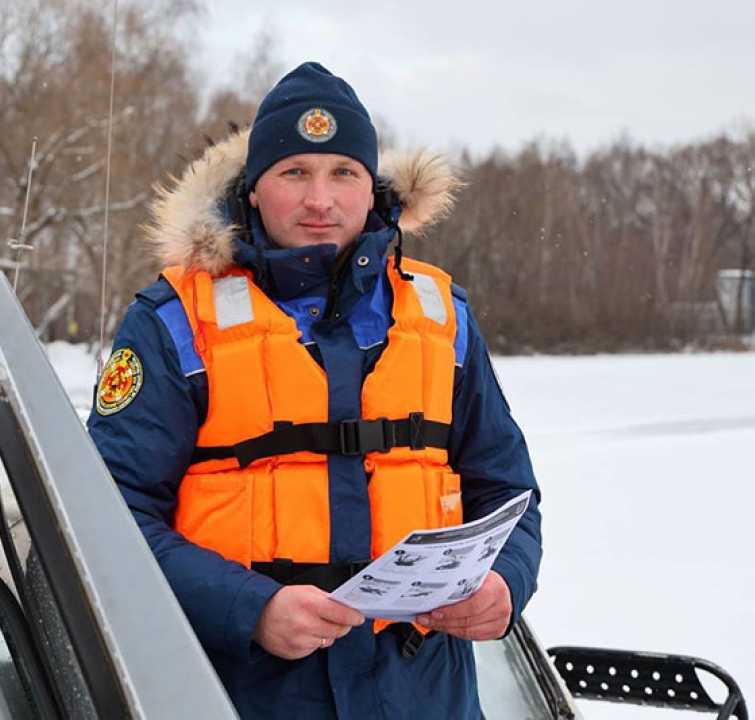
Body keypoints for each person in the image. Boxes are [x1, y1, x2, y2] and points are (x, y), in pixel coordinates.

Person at [88, 62, 542, 719]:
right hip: (241, 692)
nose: (320, 201)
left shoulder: (443, 316)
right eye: (294, 172)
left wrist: (507, 583)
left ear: (374, 188)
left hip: (423, 696)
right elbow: (108, 516)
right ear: (253, 190)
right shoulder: (176, 321)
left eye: (343, 173)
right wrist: (252, 608)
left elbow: (509, 489)